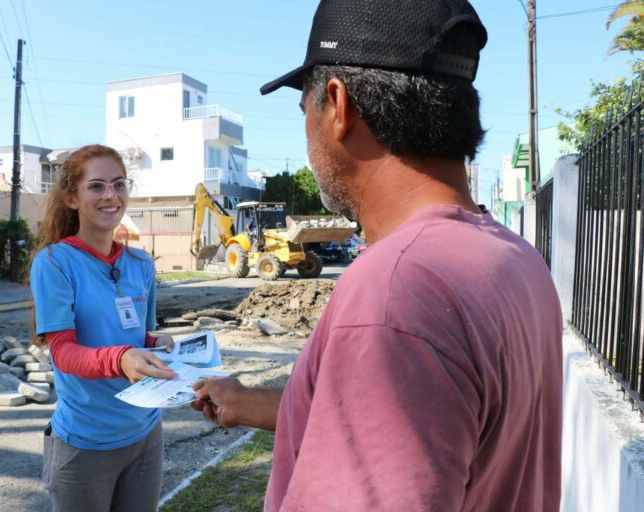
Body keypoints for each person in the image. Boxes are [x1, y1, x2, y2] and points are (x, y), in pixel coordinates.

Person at [191, 1, 563, 511]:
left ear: (337, 105)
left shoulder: (395, 293)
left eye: (304, 108)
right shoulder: (514, 258)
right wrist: (255, 403)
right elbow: (427, 421)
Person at [28, 144, 177, 512]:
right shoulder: (54, 263)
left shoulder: (141, 263)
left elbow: (135, 336)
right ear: (71, 198)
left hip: (145, 434)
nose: (111, 195)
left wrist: (155, 342)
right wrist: (121, 357)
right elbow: (63, 352)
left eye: (119, 184)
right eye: (96, 186)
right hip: (86, 443)